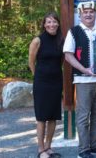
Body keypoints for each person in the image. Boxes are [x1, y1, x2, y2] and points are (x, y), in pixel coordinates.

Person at [63, 1, 96, 158]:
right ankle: (84, 149)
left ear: (95, 13)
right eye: (85, 12)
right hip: (83, 80)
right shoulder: (74, 31)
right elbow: (68, 55)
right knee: (83, 116)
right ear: (80, 15)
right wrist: (84, 69)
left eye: (91, 11)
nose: (89, 14)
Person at [29, 12, 63, 158]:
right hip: (41, 82)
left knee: (53, 116)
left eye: (54, 22)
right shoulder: (38, 40)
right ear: (44, 24)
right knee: (42, 117)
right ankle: (41, 150)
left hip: (56, 81)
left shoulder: (61, 40)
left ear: (58, 24)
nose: (51, 25)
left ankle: (49, 147)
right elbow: (31, 61)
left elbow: (61, 61)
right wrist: (37, 76)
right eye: (48, 22)